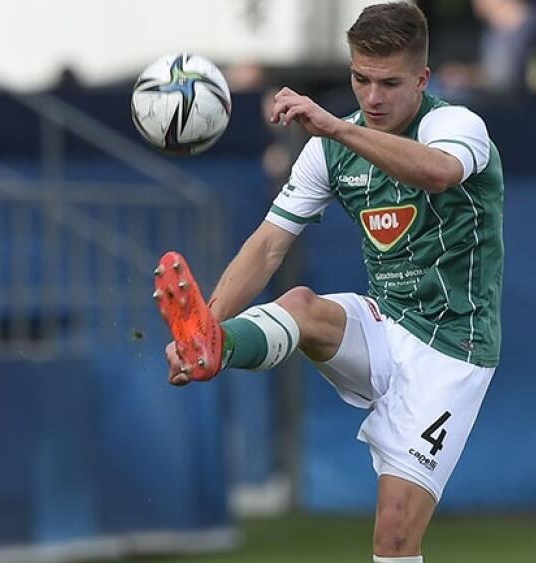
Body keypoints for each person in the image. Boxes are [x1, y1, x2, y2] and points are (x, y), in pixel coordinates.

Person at [154, 3, 504, 562]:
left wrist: (337, 126)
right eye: (361, 80)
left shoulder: (457, 126)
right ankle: (216, 346)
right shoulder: (329, 150)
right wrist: (206, 325)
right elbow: (268, 245)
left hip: (452, 350)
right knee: (300, 304)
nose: (373, 98)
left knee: (394, 535)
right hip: (386, 324)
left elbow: (437, 172)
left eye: (390, 83)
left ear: (422, 79)